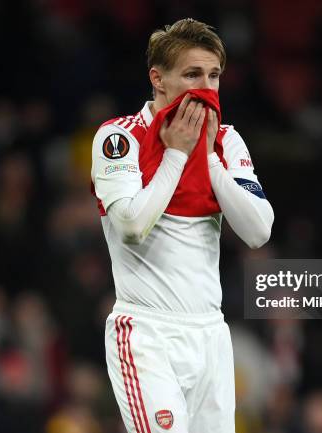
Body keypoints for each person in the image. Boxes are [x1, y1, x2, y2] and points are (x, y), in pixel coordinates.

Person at [91, 18, 274, 433]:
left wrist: (207, 157)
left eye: (213, 76)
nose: (206, 88)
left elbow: (259, 230)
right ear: (158, 78)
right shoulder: (119, 138)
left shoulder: (226, 141)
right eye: (193, 74)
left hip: (211, 336)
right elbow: (132, 226)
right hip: (146, 334)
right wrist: (176, 155)